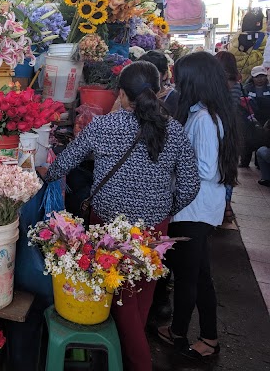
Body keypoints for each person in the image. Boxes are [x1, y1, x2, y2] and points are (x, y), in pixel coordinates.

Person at [39, 61, 201, 371]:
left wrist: (45, 173)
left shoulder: (103, 126)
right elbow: (191, 186)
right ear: (158, 90)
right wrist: (163, 211)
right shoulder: (174, 130)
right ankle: (126, 357)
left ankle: (138, 363)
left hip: (110, 229)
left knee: (120, 301)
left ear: (122, 95)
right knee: (140, 299)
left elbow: (65, 163)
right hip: (155, 230)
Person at [158, 52, 238, 360]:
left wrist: (173, 161)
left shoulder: (204, 119)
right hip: (200, 208)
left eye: (180, 77)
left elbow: (207, 169)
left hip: (194, 209)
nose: (176, 82)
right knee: (200, 275)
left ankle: (178, 333)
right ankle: (209, 337)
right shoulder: (205, 112)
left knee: (188, 276)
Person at [214, 51, 242, 223]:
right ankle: (227, 205)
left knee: (217, 166)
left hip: (218, 126)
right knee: (229, 165)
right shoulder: (237, 84)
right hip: (232, 127)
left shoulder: (217, 85)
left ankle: (222, 204)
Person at [111, 50, 179, 116]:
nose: (145, 77)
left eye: (154, 72)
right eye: (141, 72)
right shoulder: (128, 93)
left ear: (165, 75)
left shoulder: (173, 98)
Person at [240, 66, 270, 167]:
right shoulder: (246, 89)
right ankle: (244, 162)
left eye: (262, 76)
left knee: (263, 140)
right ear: (252, 77)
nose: (260, 79)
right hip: (250, 119)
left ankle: (260, 162)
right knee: (247, 141)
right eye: (257, 77)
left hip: (265, 119)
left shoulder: (269, 88)